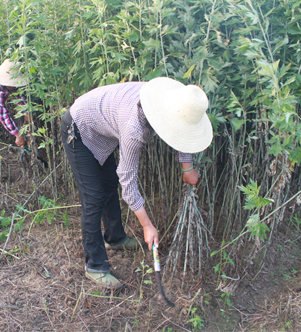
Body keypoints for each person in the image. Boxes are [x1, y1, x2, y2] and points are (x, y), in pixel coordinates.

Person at [61, 77, 213, 289]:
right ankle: (95, 265)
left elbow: (182, 128)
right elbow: (128, 181)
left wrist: (186, 165)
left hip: (101, 126)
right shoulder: (134, 128)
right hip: (79, 128)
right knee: (93, 196)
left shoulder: (172, 100)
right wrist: (147, 225)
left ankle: (115, 238)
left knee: (109, 183)